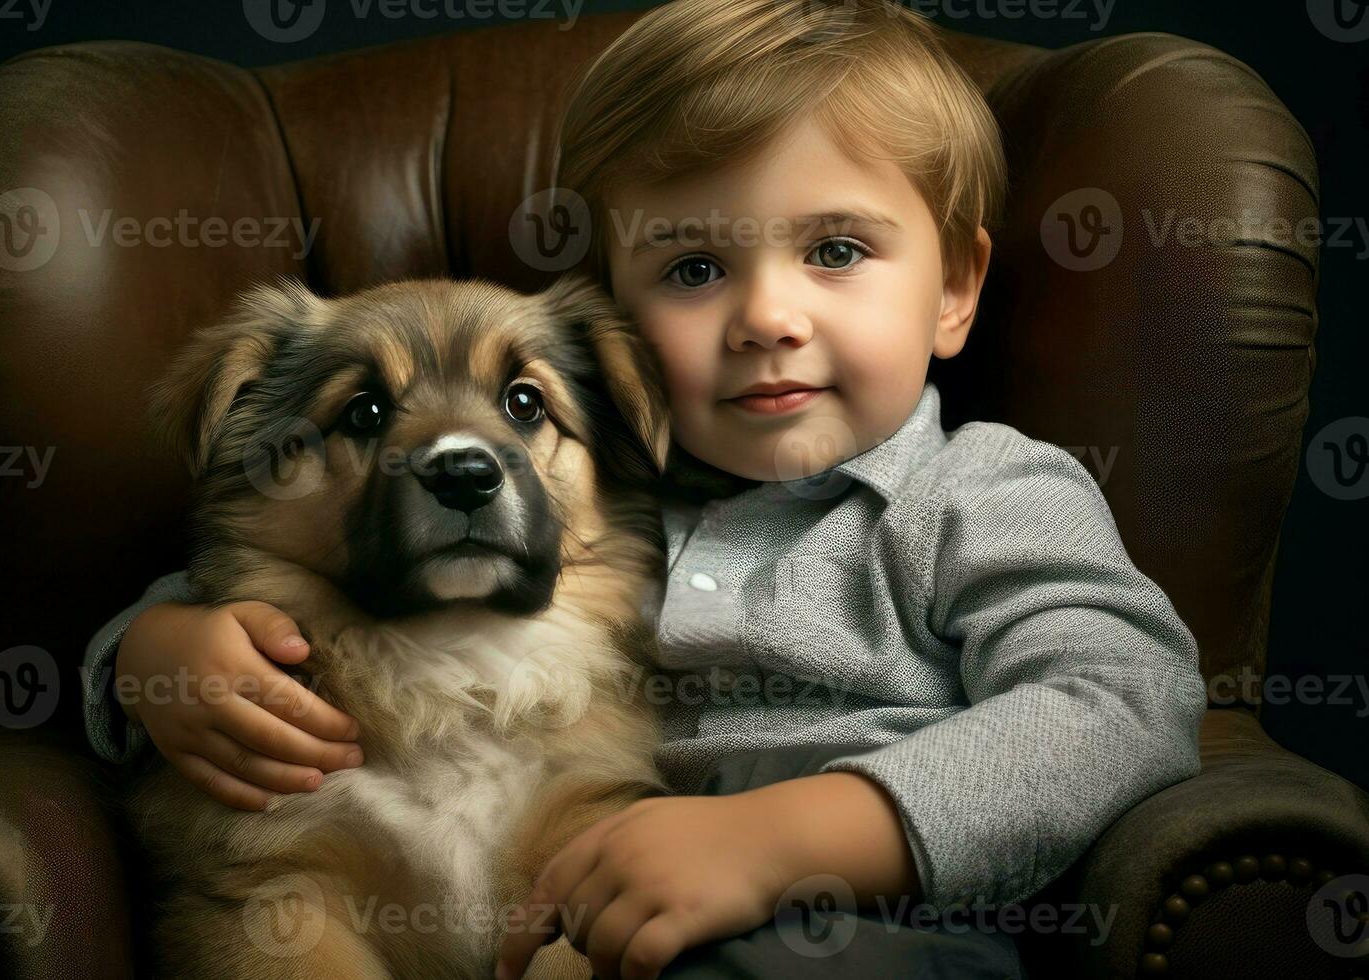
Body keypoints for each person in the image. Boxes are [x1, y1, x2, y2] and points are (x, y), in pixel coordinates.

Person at [82, 2, 1207, 977]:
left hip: (871, 928)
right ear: (619, 317)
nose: (768, 316)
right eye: (694, 268)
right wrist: (150, 653)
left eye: (837, 250)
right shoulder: (610, 499)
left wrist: (789, 835)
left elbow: (1121, 701)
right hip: (608, 923)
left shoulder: (983, 488)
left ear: (956, 287)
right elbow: (262, 576)